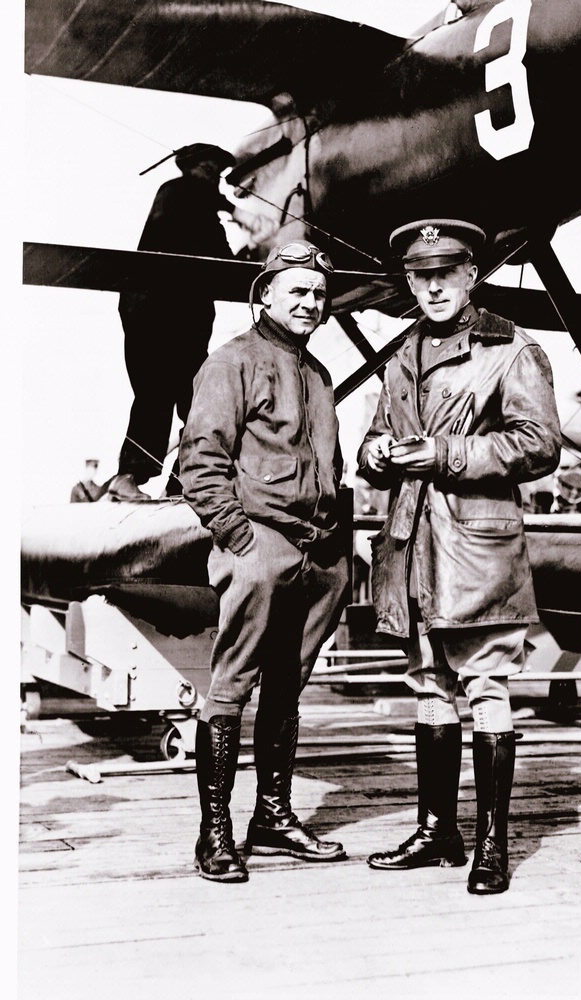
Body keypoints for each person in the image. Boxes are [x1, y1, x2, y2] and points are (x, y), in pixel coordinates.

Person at [357, 219, 561, 895]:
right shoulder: (400, 354)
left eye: (447, 272)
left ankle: (492, 845)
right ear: (409, 282)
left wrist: (444, 453)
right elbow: (373, 438)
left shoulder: (509, 348)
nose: (435, 285)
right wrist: (375, 456)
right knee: (428, 685)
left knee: (485, 687)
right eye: (422, 275)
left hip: (475, 547)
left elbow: (537, 445)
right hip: (412, 544)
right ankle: (436, 830)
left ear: (472, 274)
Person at [179, 240, 350, 883]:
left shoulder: (318, 374)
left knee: (288, 685)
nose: (310, 302)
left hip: (319, 551)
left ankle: (273, 818)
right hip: (260, 543)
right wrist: (239, 537)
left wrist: (337, 546)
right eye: (297, 292)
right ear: (265, 295)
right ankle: (215, 830)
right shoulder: (231, 362)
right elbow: (201, 459)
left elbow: (327, 465)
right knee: (231, 687)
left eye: (318, 293)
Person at [105, 143, 242, 502]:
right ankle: (128, 477)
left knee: (201, 401)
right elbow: (214, 249)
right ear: (190, 168)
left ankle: (183, 481)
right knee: (157, 395)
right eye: (209, 171)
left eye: (217, 174)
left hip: (181, 325)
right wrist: (239, 212)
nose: (215, 180)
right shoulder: (178, 193)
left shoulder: (195, 207)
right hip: (159, 319)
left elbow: (223, 262)